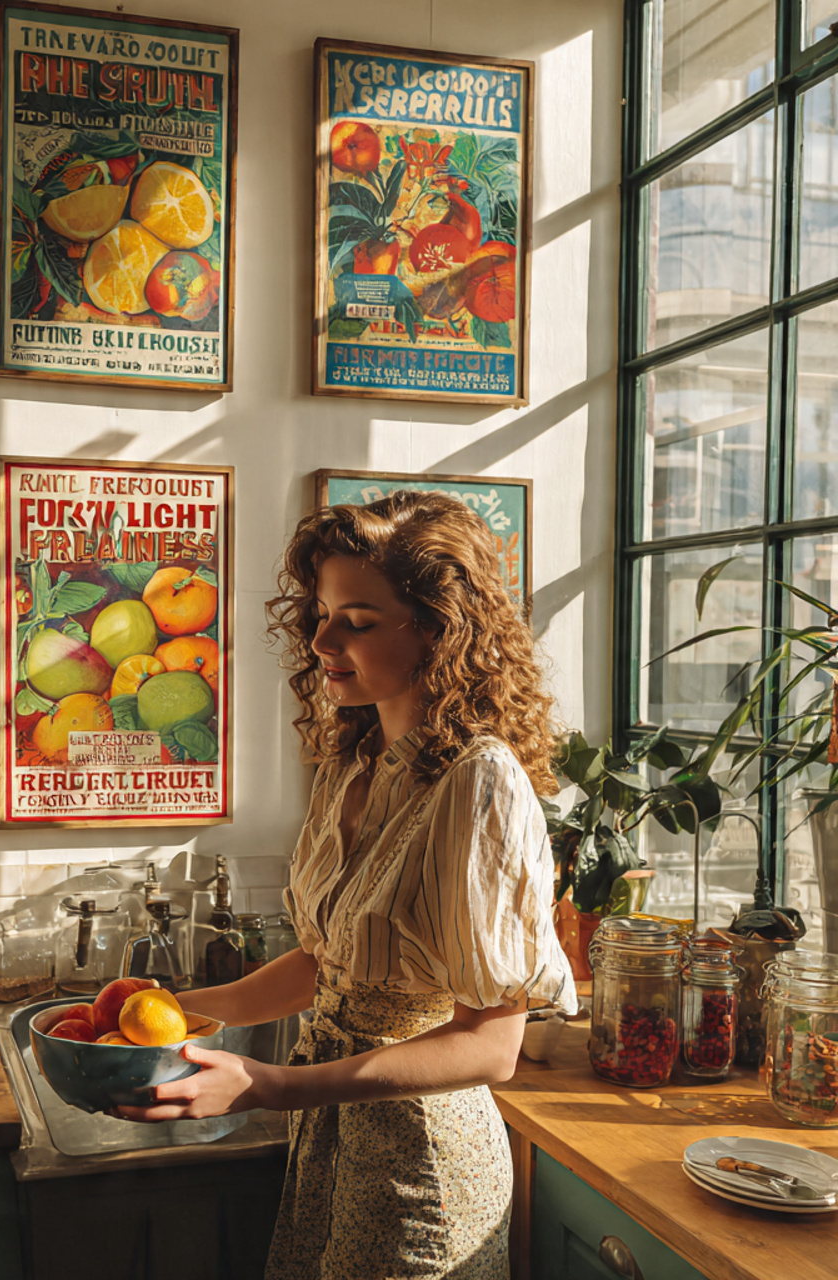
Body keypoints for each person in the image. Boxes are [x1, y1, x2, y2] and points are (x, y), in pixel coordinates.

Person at [117, 491, 578, 1279]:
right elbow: (327, 962)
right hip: (332, 1146)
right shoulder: (354, 762)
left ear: (439, 630)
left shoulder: (481, 782)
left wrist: (269, 1085)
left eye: (357, 621)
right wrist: (169, 1013)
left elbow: (491, 1045)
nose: (322, 637)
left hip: (423, 1169)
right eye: (323, 613)